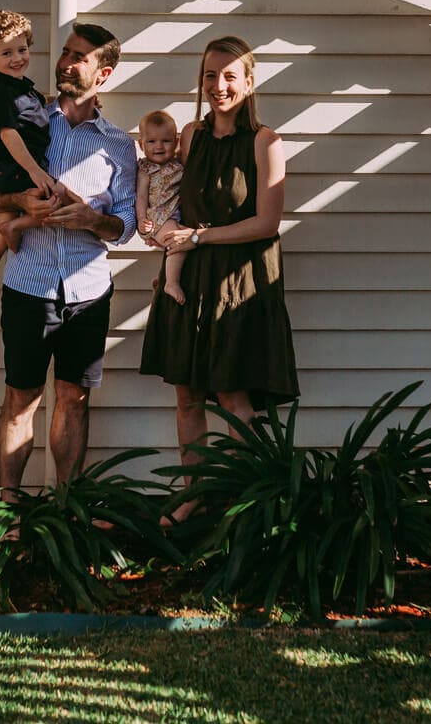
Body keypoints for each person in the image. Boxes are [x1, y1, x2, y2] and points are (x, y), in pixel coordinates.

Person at [0, 23, 138, 496]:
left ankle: (67, 507)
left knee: (73, 399)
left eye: (77, 56)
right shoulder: (28, 119)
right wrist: (20, 202)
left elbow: (126, 225)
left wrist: (91, 220)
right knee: (21, 398)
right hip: (29, 285)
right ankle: (10, 506)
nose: (64, 61)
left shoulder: (119, 145)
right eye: (64, 51)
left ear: (102, 73)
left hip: (88, 293)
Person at [138, 35, 299, 525]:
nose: (219, 85)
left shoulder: (266, 142)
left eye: (230, 76)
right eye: (211, 75)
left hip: (241, 282)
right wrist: (154, 226)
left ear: (249, 83)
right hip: (189, 279)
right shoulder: (189, 135)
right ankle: (194, 495)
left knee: (234, 395)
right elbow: (168, 186)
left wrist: (200, 238)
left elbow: (266, 223)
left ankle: (244, 500)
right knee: (187, 392)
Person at [0, 11, 56, 325]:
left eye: (22, 49)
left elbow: (34, 111)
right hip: (13, 169)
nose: (18, 58)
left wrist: (54, 103)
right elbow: (9, 133)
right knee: (48, 202)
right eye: (7, 53)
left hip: (9, 168)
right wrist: (34, 171)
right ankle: (19, 227)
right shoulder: (1, 92)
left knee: (2, 237)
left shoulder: (22, 88)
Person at [134, 110, 187, 305]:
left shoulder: (177, 164)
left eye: (166, 141)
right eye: (151, 141)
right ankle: (171, 283)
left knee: (187, 244)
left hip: (173, 215)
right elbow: (140, 197)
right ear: (141, 144)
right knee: (178, 242)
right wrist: (141, 221)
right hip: (158, 217)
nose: (159, 146)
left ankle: (164, 278)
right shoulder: (146, 170)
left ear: (176, 142)